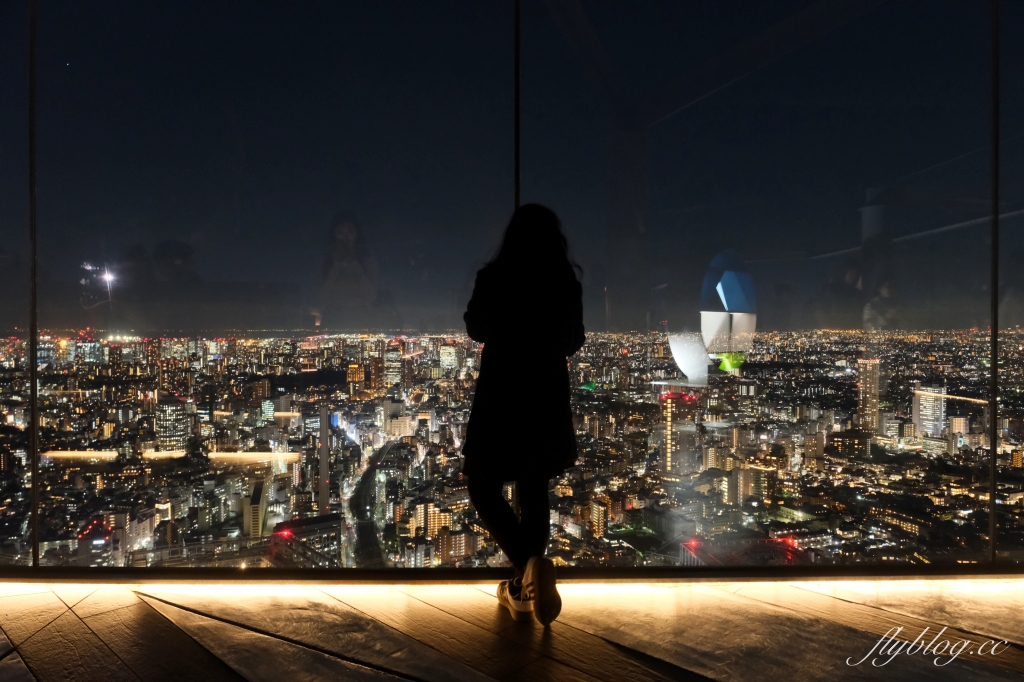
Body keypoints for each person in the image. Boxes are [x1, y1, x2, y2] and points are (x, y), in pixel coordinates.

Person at [462, 204, 585, 625]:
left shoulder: (493, 278)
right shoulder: (564, 282)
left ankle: (525, 573)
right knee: (533, 488)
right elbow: (574, 339)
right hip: (546, 392)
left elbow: (475, 328)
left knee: (482, 484)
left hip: (502, 391)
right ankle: (526, 581)